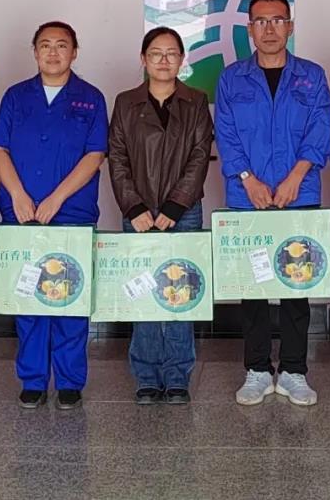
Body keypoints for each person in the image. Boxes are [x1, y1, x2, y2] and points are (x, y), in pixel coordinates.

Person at [214, 0, 330, 406]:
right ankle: (258, 370)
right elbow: (225, 133)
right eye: (261, 21)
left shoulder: (312, 76)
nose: (269, 29)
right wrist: (248, 180)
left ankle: (295, 370)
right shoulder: (232, 78)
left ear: (290, 26)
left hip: (299, 193)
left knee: (298, 283)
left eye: (277, 20)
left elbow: (321, 128)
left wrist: (296, 176)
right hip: (247, 196)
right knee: (253, 285)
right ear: (250, 29)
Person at [0, 21, 107, 410]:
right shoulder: (16, 96)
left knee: (71, 296)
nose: (53, 52)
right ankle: (33, 378)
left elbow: (95, 154)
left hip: (71, 211)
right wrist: (17, 195)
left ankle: (70, 380)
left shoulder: (90, 98)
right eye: (45, 45)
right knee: (28, 296)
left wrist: (57, 198)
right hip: (22, 212)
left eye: (61, 45)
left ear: (75, 52)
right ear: (35, 51)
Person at [108, 27, 213, 405]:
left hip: (183, 213)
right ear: (143, 59)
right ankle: (147, 376)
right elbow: (117, 157)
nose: (164, 60)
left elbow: (200, 155)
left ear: (182, 60)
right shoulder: (125, 102)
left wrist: (174, 206)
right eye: (156, 53)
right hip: (138, 214)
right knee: (144, 294)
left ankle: (178, 375)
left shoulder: (196, 101)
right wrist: (134, 207)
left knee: (180, 295)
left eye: (171, 53)